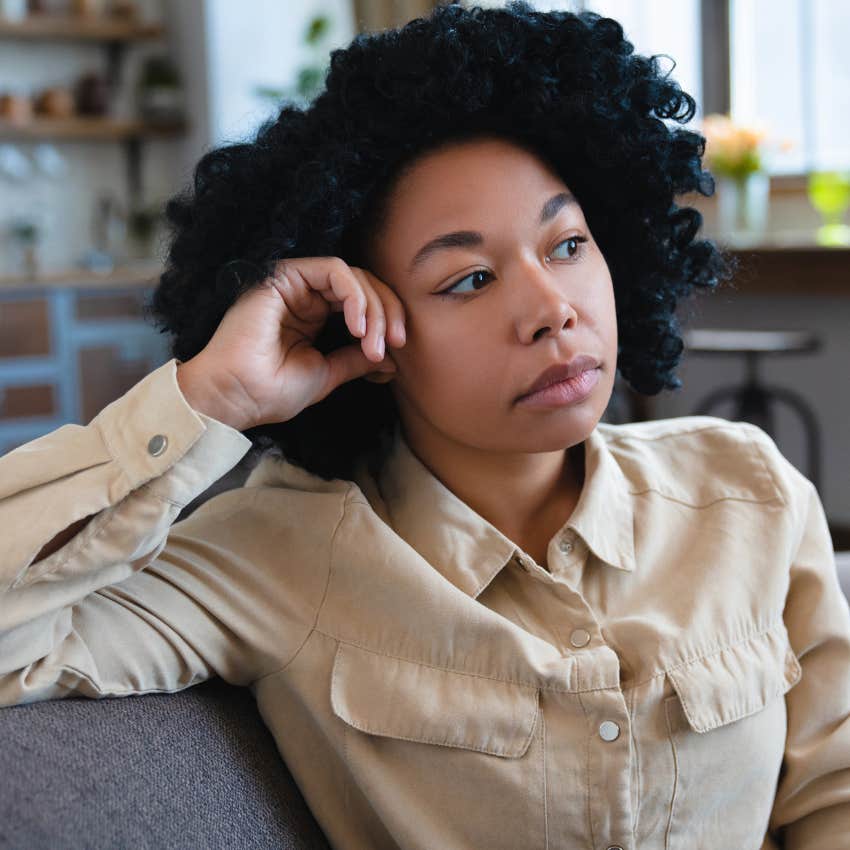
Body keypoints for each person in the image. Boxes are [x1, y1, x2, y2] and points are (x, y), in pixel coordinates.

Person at [1, 2, 848, 848]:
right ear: (370, 333)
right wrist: (211, 396)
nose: (552, 310)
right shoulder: (282, 553)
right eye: (470, 280)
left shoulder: (747, 489)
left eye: (566, 245)